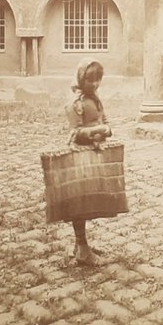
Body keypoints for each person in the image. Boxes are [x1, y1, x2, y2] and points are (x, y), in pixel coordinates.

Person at [66, 58, 112, 266]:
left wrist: (107, 130)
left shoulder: (95, 99)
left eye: (98, 80)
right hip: (80, 155)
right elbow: (75, 133)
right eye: (90, 81)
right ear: (81, 79)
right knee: (80, 202)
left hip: (93, 154)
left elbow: (105, 120)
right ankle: (82, 248)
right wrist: (97, 132)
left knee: (87, 201)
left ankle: (80, 244)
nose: (94, 85)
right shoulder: (77, 103)